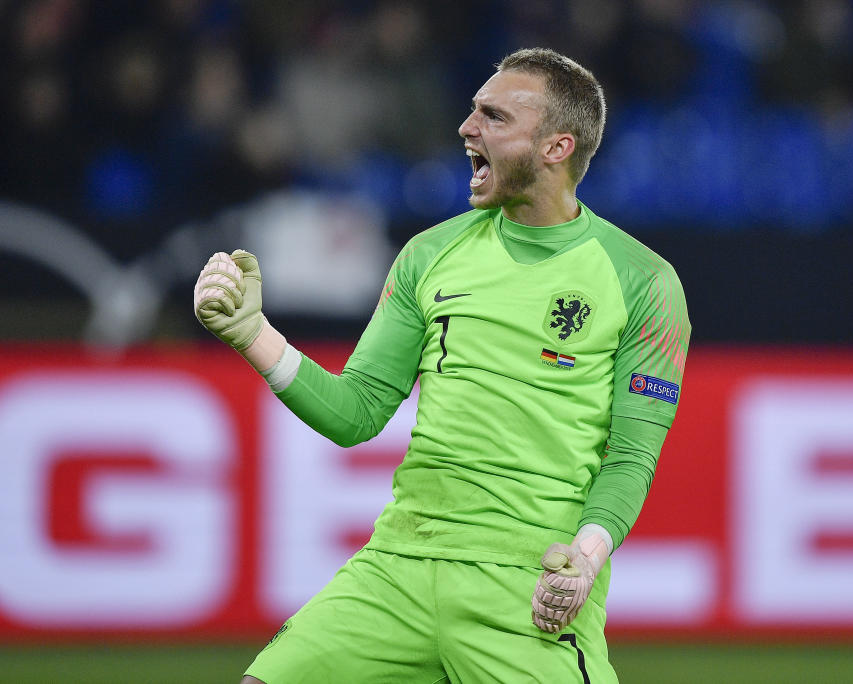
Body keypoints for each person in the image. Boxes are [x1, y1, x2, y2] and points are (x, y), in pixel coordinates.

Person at [194, 47, 690, 684]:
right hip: (398, 564)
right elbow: (357, 413)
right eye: (472, 111)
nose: (466, 128)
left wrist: (585, 558)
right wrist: (252, 333)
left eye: (493, 117)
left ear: (556, 147)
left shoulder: (641, 280)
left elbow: (630, 458)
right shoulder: (429, 256)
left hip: (525, 581)